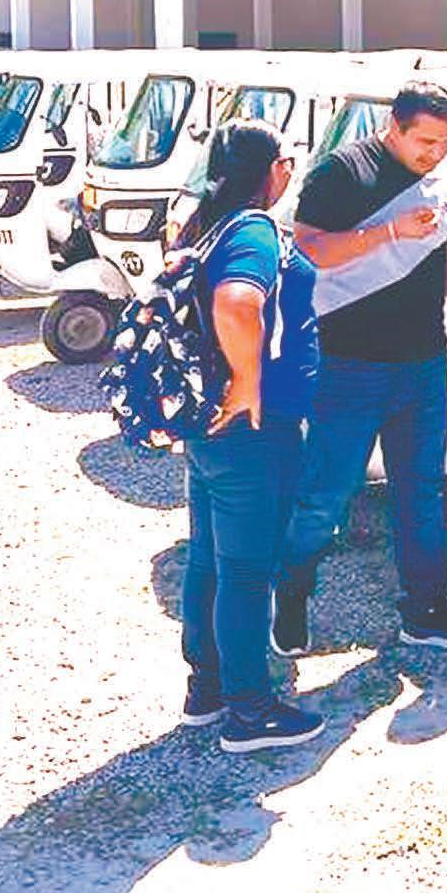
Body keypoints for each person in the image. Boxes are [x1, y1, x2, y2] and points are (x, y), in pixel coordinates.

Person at [272, 80, 447, 655]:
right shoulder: (341, 172)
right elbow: (308, 250)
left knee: (422, 494)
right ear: (394, 127)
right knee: (326, 495)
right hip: (348, 365)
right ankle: (290, 595)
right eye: (425, 142)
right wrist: (389, 232)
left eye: (446, 143)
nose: (436, 154)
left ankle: (426, 611)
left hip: (423, 362)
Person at [174, 121, 327, 753]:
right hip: (253, 433)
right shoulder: (254, 229)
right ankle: (249, 712)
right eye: (287, 160)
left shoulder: (204, 223)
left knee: (209, 560)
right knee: (245, 572)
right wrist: (248, 381)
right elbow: (237, 303)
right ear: (274, 170)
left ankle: (207, 689)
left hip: (210, 429)